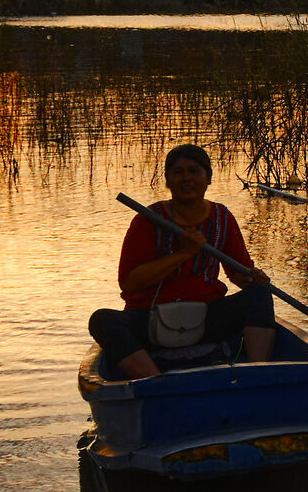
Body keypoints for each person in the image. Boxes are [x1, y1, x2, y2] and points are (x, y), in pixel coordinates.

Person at [88, 144, 276, 379]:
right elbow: (129, 283)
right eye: (178, 172)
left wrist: (253, 278)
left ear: (208, 178)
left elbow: (239, 274)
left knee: (259, 295)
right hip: (151, 319)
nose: (186, 179)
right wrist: (183, 254)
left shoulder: (222, 217)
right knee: (102, 320)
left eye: (194, 171)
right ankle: (157, 383)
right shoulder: (147, 220)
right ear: (167, 181)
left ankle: (259, 376)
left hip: (205, 317)